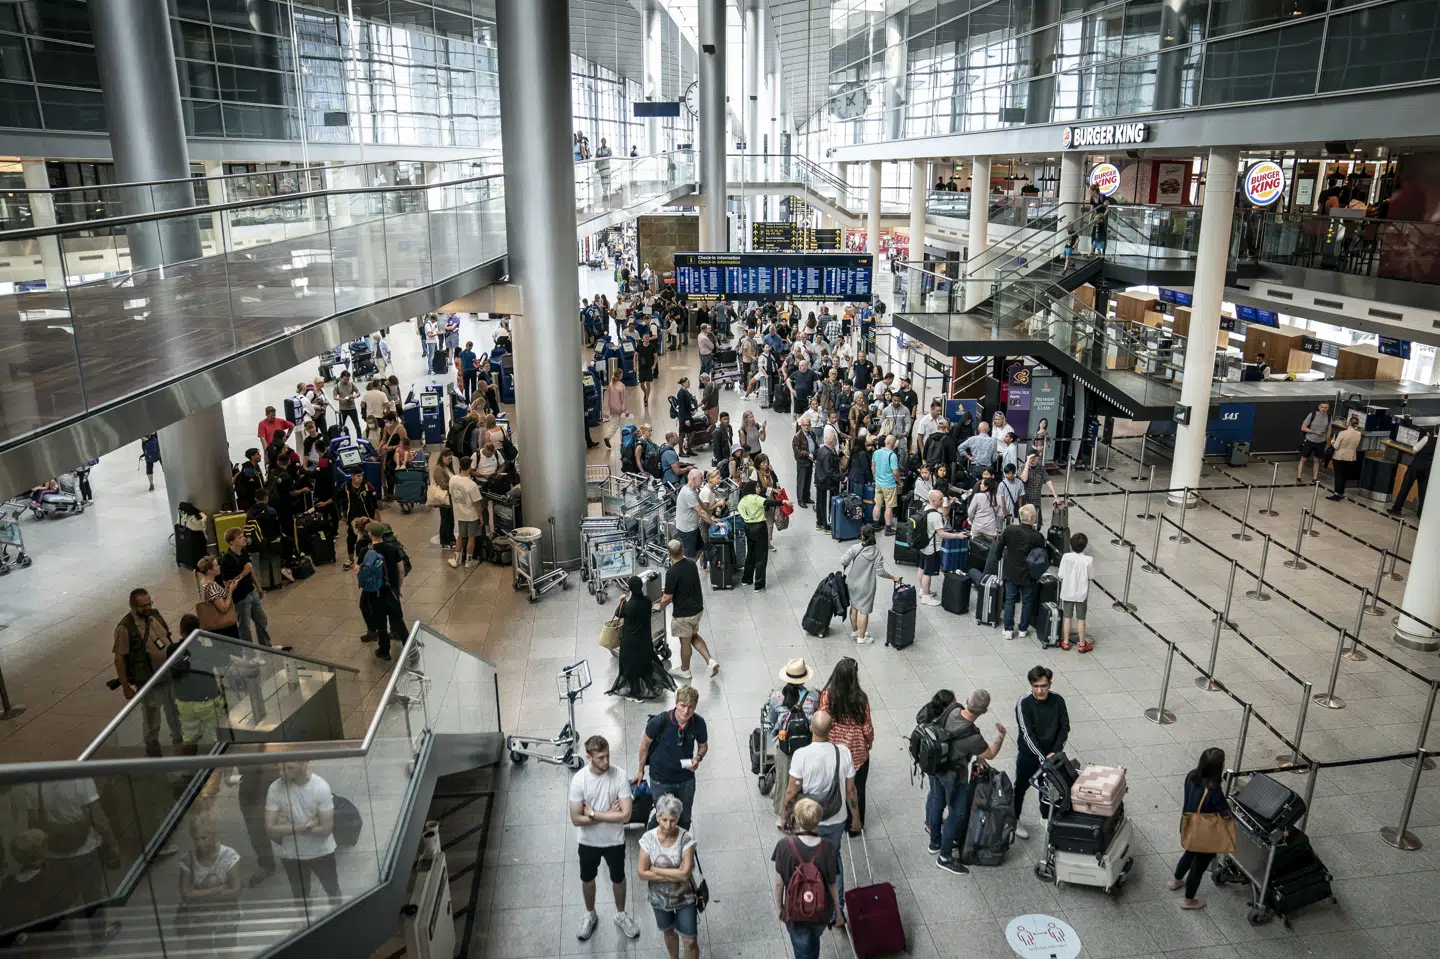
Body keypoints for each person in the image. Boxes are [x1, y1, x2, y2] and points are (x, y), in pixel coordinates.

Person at [781, 711, 860, 908]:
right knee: (834, 859)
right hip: (837, 817)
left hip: (809, 820)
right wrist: (856, 818)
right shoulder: (843, 752)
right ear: (831, 729)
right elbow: (851, 790)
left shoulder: (801, 755)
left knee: (806, 860)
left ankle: (809, 902)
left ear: (810, 728)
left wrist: (785, 814)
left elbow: (791, 791)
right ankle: (837, 909)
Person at [569, 735, 642, 942]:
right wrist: (609, 814)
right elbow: (575, 819)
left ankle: (621, 914)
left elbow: (626, 815)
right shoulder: (579, 780)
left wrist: (593, 814)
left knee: (618, 878)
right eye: (600, 757)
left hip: (614, 842)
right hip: (588, 842)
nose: (606, 762)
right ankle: (590, 914)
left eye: (608, 756)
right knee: (587, 878)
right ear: (589, 757)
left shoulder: (619, 776)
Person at [926, 689, 1006, 873]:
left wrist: (976, 754)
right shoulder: (974, 738)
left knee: (937, 802)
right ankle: (945, 857)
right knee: (956, 814)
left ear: (967, 699)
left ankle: (935, 842)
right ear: (984, 712)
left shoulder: (953, 710)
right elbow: (990, 753)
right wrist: (1000, 737)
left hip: (936, 767)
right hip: (954, 778)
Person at [771, 797, 844, 959]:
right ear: (818, 821)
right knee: (814, 940)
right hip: (821, 910)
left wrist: (780, 907)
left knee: (803, 950)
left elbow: (778, 883)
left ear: (797, 819)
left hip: (795, 912)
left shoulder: (784, 846)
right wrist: (838, 912)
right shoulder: (828, 847)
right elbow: (833, 884)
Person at [113, 588, 182, 755]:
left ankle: (180, 744)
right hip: (148, 681)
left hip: (168, 674)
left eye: (149, 603)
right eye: (143, 606)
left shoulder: (155, 615)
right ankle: (152, 748)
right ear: (132, 606)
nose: (148, 607)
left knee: (175, 711)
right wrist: (125, 687)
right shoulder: (125, 628)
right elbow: (119, 659)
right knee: (152, 718)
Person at [265, 761, 341, 906]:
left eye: (289, 768)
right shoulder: (275, 788)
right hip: (291, 855)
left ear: (304, 764)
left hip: (321, 853)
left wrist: (286, 826)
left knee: (332, 890)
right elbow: (270, 829)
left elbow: (325, 830)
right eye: (280, 768)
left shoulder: (320, 787)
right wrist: (306, 826)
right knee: (300, 897)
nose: (282, 773)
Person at [633, 686, 708, 830]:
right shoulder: (660, 721)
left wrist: (698, 758)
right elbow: (644, 746)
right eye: (683, 706)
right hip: (661, 779)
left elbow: (703, 745)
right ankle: (654, 840)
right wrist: (640, 770)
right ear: (676, 703)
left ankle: (681, 844)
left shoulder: (698, 723)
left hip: (686, 779)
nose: (686, 711)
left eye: (691, 707)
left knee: (685, 817)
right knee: (662, 815)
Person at [637, 791, 698, 959]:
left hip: (685, 897)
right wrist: (675, 874)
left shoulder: (686, 839)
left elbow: (685, 874)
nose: (668, 825)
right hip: (659, 898)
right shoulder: (648, 839)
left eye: (673, 820)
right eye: (664, 820)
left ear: (678, 819)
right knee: (669, 932)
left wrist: (655, 870)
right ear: (657, 817)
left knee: (690, 940)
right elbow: (642, 873)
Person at [1169, 747, 1231, 910]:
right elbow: (1225, 813)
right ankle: (1189, 900)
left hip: (1188, 825)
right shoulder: (1214, 789)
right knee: (1198, 866)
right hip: (1205, 835)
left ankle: (1176, 880)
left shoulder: (1191, 776)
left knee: (1188, 853)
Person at [1012, 666, 1070, 839]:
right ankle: (1015, 818)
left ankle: (1045, 817)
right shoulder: (1024, 702)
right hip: (1029, 755)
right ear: (1031, 685)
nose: (1040, 690)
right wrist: (1041, 757)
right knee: (1021, 787)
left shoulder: (1058, 701)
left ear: (1049, 684)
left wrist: (1055, 751)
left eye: (1043, 686)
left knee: (1046, 787)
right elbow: (1027, 734)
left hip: (1051, 755)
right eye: (1036, 686)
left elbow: (1064, 727)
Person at [819, 659, 874, 837]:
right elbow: (867, 727)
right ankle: (855, 825)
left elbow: (822, 720)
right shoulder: (861, 698)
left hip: (835, 751)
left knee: (838, 786)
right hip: (857, 752)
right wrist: (869, 742)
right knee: (857, 788)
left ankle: (838, 820)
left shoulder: (827, 695)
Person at [765, 659, 818, 825]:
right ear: (804, 679)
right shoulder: (814, 697)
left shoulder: (776, 696)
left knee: (783, 778)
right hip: (807, 745)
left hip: (784, 745)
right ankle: (805, 812)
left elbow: (771, 722)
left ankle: (782, 814)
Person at [656, 540, 718, 680]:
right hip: (697, 609)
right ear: (683, 549)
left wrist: (658, 606)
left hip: (683, 614)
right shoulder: (691, 563)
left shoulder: (672, 573)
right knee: (693, 636)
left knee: (685, 642)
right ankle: (710, 661)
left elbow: (667, 598)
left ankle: (685, 670)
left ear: (668, 553)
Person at [176, 815, 242, 948]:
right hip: (198, 921)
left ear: (214, 835)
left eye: (204, 838)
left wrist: (198, 895)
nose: (200, 844)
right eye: (196, 839)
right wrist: (218, 890)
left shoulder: (229, 856)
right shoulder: (188, 860)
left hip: (225, 918)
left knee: (226, 952)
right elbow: (186, 894)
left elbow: (235, 890)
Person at [607, 576, 676, 701]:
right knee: (643, 663)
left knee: (630, 665)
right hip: (644, 640)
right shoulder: (647, 601)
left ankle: (635, 693)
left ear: (630, 588)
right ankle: (643, 688)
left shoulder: (628, 606)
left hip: (630, 641)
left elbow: (618, 614)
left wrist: (622, 600)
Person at [985, 503, 1047, 639]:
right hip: (1029, 574)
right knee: (1027, 601)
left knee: (1010, 600)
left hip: (1011, 571)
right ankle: (1023, 629)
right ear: (1032, 518)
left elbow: (998, 548)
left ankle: (1008, 629)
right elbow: (1041, 555)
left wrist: (998, 556)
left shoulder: (1009, 530)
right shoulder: (1037, 536)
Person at [839, 526, 903, 645]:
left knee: (854, 607)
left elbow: (843, 561)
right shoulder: (876, 553)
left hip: (852, 583)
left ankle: (855, 631)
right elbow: (880, 572)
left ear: (862, 536)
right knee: (864, 611)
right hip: (866, 586)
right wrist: (893, 577)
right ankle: (862, 638)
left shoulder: (855, 548)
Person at [219, 529, 275, 648]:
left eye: (243, 536)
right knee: (244, 627)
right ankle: (250, 654)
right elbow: (227, 584)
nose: (244, 538)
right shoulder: (227, 560)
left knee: (261, 620)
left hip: (251, 591)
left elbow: (250, 570)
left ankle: (266, 646)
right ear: (232, 542)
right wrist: (244, 572)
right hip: (240, 598)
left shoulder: (243, 551)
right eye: (240, 537)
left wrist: (258, 587)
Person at [360, 522, 406, 661]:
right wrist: (397, 588)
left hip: (375, 592)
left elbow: (358, 570)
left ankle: (384, 650)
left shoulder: (366, 551)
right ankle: (410, 647)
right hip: (391, 590)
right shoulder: (393, 549)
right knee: (397, 621)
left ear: (370, 534)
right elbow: (401, 570)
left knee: (380, 622)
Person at [916, 489, 969, 607]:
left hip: (923, 545)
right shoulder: (935, 516)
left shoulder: (925, 508)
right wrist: (957, 536)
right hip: (932, 548)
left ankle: (922, 590)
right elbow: (942, 533)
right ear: (934, 501)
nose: (942, 500)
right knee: (928, 573)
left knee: (921, 568)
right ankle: (926, 596)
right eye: (940, 499)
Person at [738, 481, 784, 590]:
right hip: (759, 527)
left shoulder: (742, 501)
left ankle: (747, 579)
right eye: (757, 487)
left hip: (748, 528)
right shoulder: (755, 498)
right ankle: (759, 584)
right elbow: (769, 502)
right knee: (761, 556)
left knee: (750, 554)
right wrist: (783, 502)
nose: (759, 489)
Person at [1058, 532, 1093, 652]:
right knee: (1081, 618)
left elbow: (1060, 574)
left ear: (1071, 545)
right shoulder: (1089, 560)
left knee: (1067, 617)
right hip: (1081, 593)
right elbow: (1091, 576)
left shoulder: (1066, 557)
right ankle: (1082, 644)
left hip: (1067, 591)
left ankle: (1066, 642)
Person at [339, 470, 379, 569]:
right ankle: (350, 559)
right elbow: (338, 498)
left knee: (369, 536)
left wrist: (378, 516)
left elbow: (374, 502)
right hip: (352, 517)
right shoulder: (346, 486)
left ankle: (372, 557)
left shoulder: (366, 485)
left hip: (366, 516)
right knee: (351, 538)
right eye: (357, 476)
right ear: (352, 476)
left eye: (361, 476)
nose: (360, 478)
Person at [448, 456, 483, 568]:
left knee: (460, 537)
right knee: (471, 538)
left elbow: (451, 493)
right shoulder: (471, 484)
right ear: (469, 468)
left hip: (459, 513)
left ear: (460, 466)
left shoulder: (452, 480)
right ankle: (469, 561)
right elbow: (477, 503)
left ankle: (457, 559)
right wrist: (481, 516)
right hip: (471, 515)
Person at [195, 555, 240, 639]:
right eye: (216, 566)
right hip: (223, 627)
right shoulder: (212, 587)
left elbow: (217, 596)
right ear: (209, 571)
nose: (219, 567)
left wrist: (227, 588)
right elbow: (224, 608)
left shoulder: (203, 582)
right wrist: (230, 590)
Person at [1391, 427, 1433, 516]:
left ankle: (1397, 509)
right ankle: (1421, 514)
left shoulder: (1426, 438)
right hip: (1428, 469)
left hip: (1416, 466)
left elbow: (1413, 451)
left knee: (1405, 487)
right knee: (1423, 492)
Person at [1020, 450, 1062, 527]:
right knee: (1026, 525)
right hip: (1025, 501)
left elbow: (1048, 481)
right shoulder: (1022, 468)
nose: (1036, 459)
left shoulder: (1040, 468)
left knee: (1038, 525)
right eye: (1034, 457)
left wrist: (1055, 496)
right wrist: (1027, 462)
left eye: (1037, 457)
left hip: (1036, 501)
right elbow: (1024, 479)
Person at [871, 435, 902, 535]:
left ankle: (875, 525)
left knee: (878, 504)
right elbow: (895, 472)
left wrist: (875, 478)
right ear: (893, 444)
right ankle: (888, 529)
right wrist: (900, 482)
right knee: (889, 507)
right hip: (889, 485)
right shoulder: (892, 455)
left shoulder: (876, 452)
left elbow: (873, 467)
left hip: (878, 483)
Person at [1327, 415, 1363, 500]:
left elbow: (1336, 446)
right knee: (1344, 475)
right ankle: (1341, 492)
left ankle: (1336, 494)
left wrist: (1332, 442)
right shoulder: (1358, 434)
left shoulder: (1342, 433)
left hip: (1339, 456)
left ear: (1349, 423)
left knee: (1338, 476)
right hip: (1350, 456)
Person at [813, 429, 842, 531]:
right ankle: (826, 524)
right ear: (832, 441)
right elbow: (829, 471)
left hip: (820, 480)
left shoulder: (821, 449)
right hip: (826, 483)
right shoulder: (828, 454)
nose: (836, 442)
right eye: (835, 440)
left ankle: (820, 522)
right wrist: (841, 477)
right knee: (825, 503)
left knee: (820, 502)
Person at [1298, 402, 1331, 484]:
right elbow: (1303, 427)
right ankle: (1299, 476)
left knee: (1317, 460)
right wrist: (1314, 432)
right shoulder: (1312, 415)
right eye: (1322, 407)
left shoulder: (1329, 417)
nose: (1324, 409)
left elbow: (1329, 429)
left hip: (1321, 442)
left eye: (1326, 407)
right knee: (1303, 459)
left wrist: (1326, 439)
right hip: (1310, 440)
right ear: (1319, 407)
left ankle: (1315, 478)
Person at [792, 421, 815, 509]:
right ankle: (800, 500)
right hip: (802, 462)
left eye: (808, 425)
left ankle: (806, 497)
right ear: (801, 426)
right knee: (801, 481)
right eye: (804, 425)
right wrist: (807, 453)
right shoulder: (797, 437)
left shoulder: (811, 434)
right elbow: (797, 451)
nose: (806, 427)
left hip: (810, 461)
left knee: (808, 480)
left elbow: (814, 444)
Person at [333, 371, 361, 436]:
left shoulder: (351, 384)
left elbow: (358, 392)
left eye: (348, 379)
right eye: (345, 379)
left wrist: (354, 396)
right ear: (341, 378)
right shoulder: (337, 386)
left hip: (352, 408)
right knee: (341, 426)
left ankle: (359, 439)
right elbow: (334, 397)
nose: (346, 381)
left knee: (357, 425)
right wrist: (341, 399)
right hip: (343, 409)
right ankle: (341, 439)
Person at [637, 330, 659, 407]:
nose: (647, 338)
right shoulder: (639, 346)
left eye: (648, 337)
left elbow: (656, 357)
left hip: (649, 368)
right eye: (646, 337)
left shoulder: (652, 347)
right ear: (643, 338)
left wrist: (654, 365)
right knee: (641, 384)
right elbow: (635, 355)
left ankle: (646, 398)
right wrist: (634, 365)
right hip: (641, 368)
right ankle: (645, 392)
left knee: (648, 383)